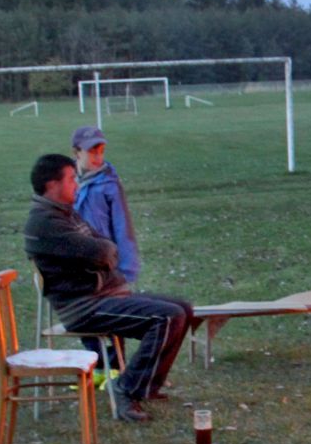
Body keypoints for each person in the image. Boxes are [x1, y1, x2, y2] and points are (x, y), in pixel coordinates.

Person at [24, 154, 193, 423]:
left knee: (183, 309)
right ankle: (126, 388)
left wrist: (104, 254)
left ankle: (146, 386)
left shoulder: (65, 213)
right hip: (85, 307)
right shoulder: (45, 223)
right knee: (168, 316)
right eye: (71, 179)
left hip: (104, 295)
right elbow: (102, 252)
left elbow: (104, 245)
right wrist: (104, 255)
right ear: (52, 184)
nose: (77, 184)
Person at [70, 125, 138, 373]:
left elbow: (122, 225)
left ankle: (116, 367)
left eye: (101, 151)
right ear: (77, 152)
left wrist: (126, 267)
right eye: (92, 152)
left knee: (113, 314)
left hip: (106, 263)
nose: (98, 158)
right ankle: (96, 366)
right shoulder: (68, 182)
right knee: (85, 314)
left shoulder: (109, 183)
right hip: (78, 264)